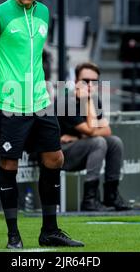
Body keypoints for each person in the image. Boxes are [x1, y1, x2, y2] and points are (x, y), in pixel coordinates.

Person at [0, 0, 84, 249]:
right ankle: (13, 235)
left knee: (55, 159)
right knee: (9, 164)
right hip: (10, 103)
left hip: (40, 102)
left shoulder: (45, 13)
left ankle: (50, 230)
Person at [57, 62, 130, 211]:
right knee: (98, 142)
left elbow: (107, 130)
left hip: (82, 147)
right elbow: (91, 130)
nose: (90, 85)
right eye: (85, 81)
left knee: (115, 142)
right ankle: (89, 199)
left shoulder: (95, 100)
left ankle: (111, 195)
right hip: (59, 154)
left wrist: (79, 138)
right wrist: (87, 101)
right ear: (76, 81)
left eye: (94, 82)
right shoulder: (66, 102)